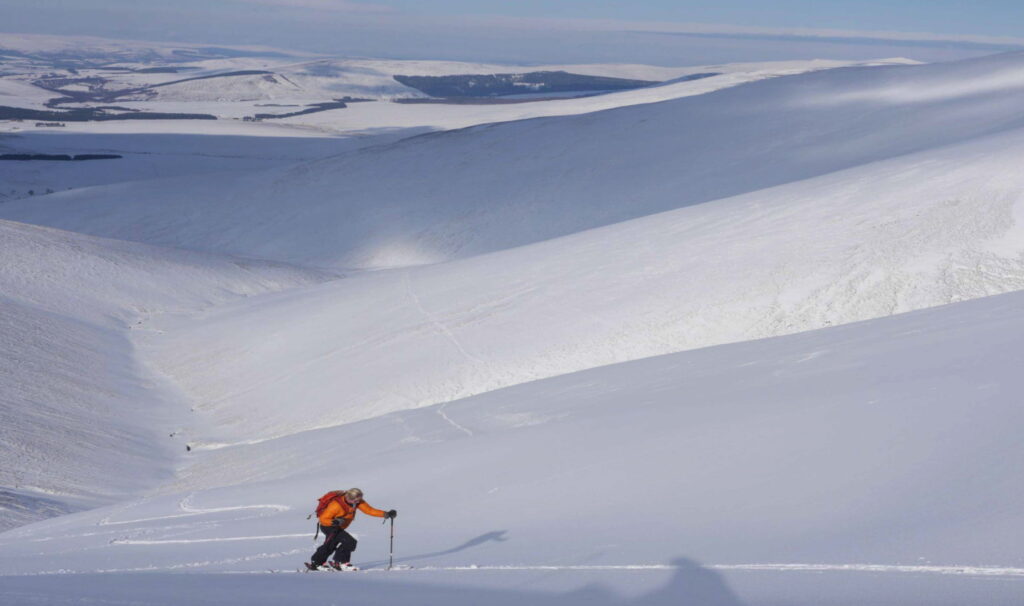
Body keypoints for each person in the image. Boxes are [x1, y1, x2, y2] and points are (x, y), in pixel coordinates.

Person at [306, 488, 396, 571]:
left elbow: (369, 510)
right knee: (349, 542)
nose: (358, 502)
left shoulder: (356, 502)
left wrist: (385, 514)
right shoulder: (336, 505)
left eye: (359, 499)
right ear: (348, 498)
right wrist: (335, 522)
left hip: (338, 527)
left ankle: (317, 563)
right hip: (328, 526)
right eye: (356, 500)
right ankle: (341, 563)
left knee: (331, 545)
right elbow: (323, 519)